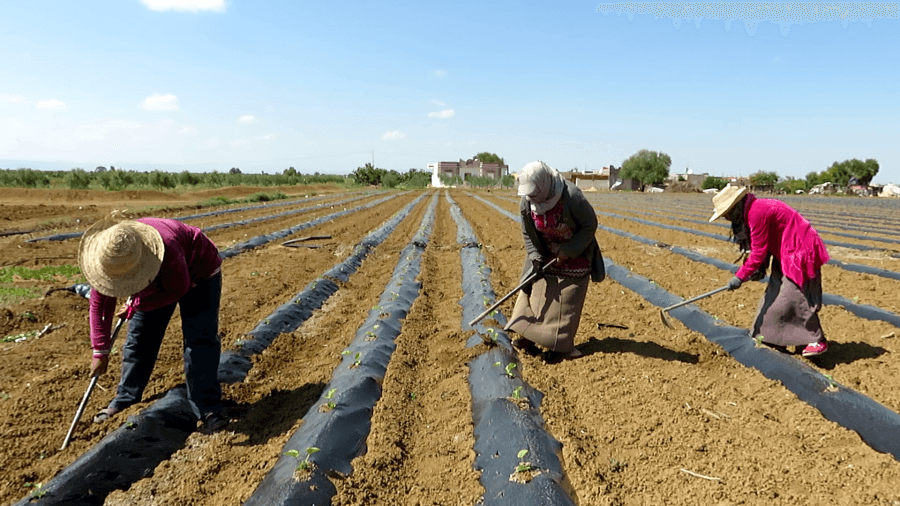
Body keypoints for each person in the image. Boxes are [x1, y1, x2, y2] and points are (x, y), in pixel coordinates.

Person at [79, 215, 229, 432]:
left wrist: (135, 305)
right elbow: (99, 307)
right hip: (161, 276)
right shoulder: (106, 259)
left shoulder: (165, 248)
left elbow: (178, 288)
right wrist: (100, 351)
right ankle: (125, 399)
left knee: (199, 341)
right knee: (140, 339)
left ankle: (208, 408)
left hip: (199, 271)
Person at [709, 186, 830, 356]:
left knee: (793, 296)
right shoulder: (752, 210)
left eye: (727, 213)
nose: (727, 218)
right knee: (772, 297)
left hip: (799, 250)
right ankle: (769, 337)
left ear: (735, 206)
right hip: (783, 252)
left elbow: (758, 252)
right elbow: (762, 247)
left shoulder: (756, 212)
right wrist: (757, 268)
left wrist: (739, 277)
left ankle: (816, 339)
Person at [503, 161, 604, 362]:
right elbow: (527, 232)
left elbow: (589, 225)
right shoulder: (527, 201)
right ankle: (527, 337)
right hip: (545, 253)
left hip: (574, 255)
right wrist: (535, 257)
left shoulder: (572, 197)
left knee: (564, 303)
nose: (531, 198)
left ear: (545, 184)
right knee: (534, 294)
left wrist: (568, 251)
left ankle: (563, 347)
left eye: (534, 194)